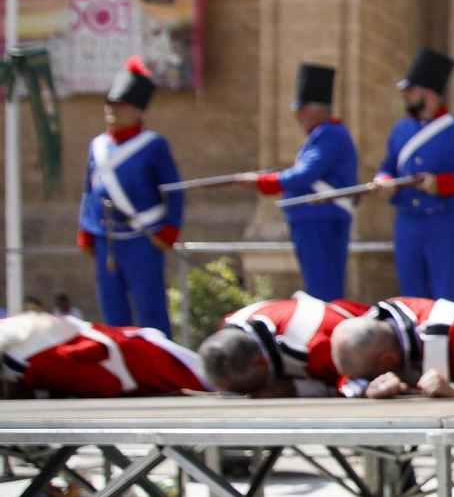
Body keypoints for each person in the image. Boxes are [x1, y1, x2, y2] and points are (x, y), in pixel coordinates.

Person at [375, 49, 454, 304]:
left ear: (427, 93)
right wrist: (383, 179)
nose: (406, 96)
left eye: (411, 90)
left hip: (443, 222)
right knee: (411, 299)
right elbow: (388, 165)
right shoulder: (401, 129)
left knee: (447, 298)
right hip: (407, 222)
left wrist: (441, 184)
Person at [76, 56, 183, 334]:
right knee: (112, 312)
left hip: (143, 238)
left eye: (120, 105)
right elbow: (89, 191)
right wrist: (86, 228)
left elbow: (174, 190)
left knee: (151, 310)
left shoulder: (153, 145)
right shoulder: (98, 146)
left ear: (137, 111)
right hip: (106, 238)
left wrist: (171, 227)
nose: (112, 110)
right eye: (110, 104)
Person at [246, 63, 359, 302]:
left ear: (319, 109)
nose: (297, 115)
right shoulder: (321, 136)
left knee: (324, 294)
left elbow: (305, 174)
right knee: (319, 290)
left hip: (321, 220)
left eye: (302, 109)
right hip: (311, 220)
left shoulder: (329, 134)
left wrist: (262, 181)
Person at [0, 312, 212, 397]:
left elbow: (100, 382)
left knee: (207, 381)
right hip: (128, 349)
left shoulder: (32, 364)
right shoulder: (23, 352)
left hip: (138, 363)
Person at [197, 294, 370, 397]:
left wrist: (297, 388)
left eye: (244, 391)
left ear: (260, 363)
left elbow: (357, 384)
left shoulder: (316, 347)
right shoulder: (230, 327)